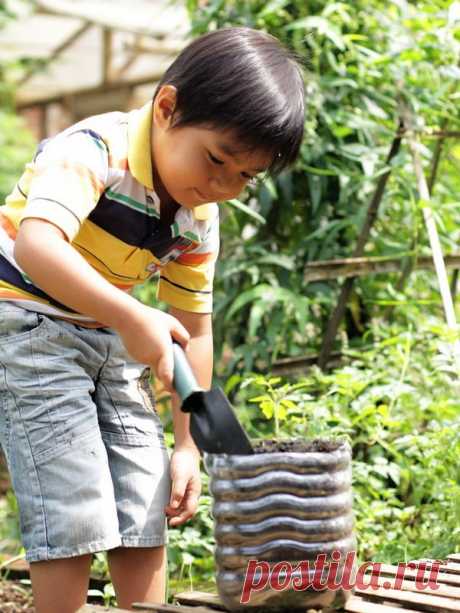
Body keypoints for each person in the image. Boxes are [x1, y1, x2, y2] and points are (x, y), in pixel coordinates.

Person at [0, 26, 305, 613]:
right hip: (27, 320)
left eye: (243, 176)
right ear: (166, 108)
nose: (221, 184)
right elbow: (38, 246)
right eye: (216, 159)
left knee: (148, 488)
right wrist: (131, 314)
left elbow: (195, 328)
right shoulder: (92, 150)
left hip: (109, 331)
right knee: (74, 494)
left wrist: (187, 447)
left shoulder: (199, 214)